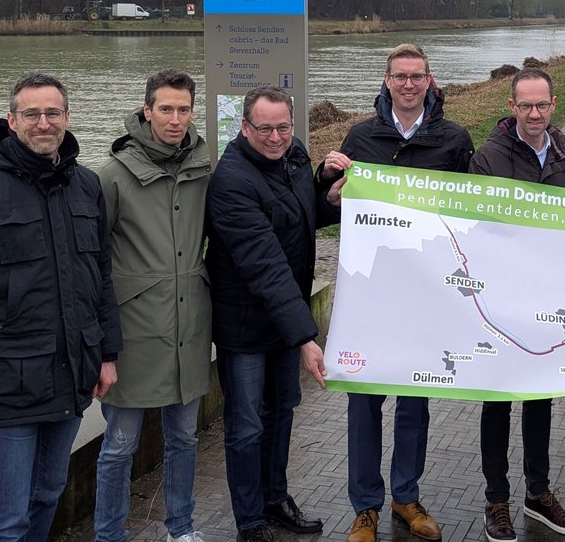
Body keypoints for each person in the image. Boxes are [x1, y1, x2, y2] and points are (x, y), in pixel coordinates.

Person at [0, 72, 122, 541]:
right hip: (8, 388)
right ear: (11, 120)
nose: (43, 123)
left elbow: (100, 275)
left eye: (52, 113)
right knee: (6, 517)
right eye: (32, 114)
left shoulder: (86, 186)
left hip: (71, 376)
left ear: (67, 118)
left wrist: (107, 354)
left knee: (47, 497)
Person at [318, 44, 474, 542]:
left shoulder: (454, 139)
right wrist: (331, 191)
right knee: (363, 399)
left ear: (431, 80)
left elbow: (471, 214)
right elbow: (336, 205)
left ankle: (406, 497)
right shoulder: (361, 136)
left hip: (426, 292)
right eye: (400, 76)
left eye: (417, 76)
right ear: (386, 81)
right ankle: (364, 506)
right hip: (370, 289)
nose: (408, 84)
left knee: (415, 401)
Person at [206, 86, 341, 542]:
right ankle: (249, 520)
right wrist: (306, 337)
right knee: (246, 425)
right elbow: (263, 261)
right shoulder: (230, 181)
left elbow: (299, 217)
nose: (276, 136)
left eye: (283, 127)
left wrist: (330, 200)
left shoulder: (296, 156)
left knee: (283, 410)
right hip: (244, 324)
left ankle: (275, 498)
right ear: (245, 127)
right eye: (264, 128)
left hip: (285, 321)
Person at [469, 67, 565, 542]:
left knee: (541, 397)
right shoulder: (488, 157)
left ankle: (537, 493)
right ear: (512, 106)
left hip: (550, 298)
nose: (535, 113)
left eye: (542, 105)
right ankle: (495, 500)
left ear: (554, 104)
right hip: (500, 301)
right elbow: (475, 229)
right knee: (497, 401)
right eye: (526, 106)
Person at [93, 70, 212, 542]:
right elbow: (93, 257)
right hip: (135, 333)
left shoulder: (206, 167)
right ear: (147, 110)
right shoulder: (111, 176)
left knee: (184, 439)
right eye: (166, 109)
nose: (176, 119)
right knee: (119, 446)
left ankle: (180, 529)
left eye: (184, 109)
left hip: (190, 328)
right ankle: (109, 536)